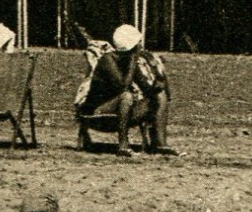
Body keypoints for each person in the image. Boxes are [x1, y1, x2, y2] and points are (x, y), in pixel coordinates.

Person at [75, 24, 176, 156]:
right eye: (138, 44)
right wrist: (133, 62)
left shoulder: (128, 61)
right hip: (97, 111)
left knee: (160, 96)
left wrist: (159, 78)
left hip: (123, 110)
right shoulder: (108, 60)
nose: (140, 47)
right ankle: (123, 145)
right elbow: (121, 87)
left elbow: (147, 89)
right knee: (126, 96)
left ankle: (160, 143)